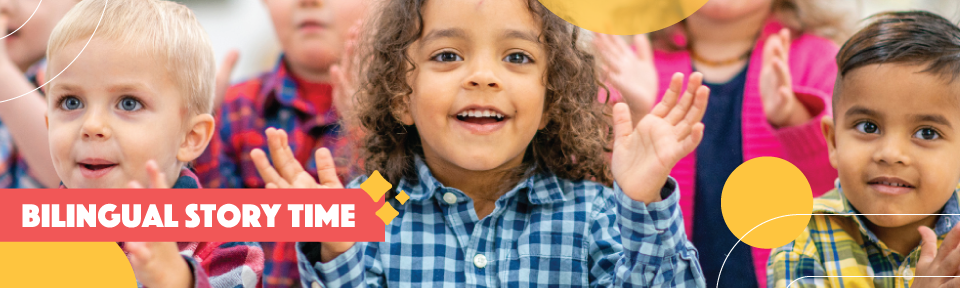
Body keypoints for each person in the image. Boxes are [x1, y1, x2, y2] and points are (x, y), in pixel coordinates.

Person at [253, 0, 711, 286]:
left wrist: (644, 200)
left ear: (552, 99)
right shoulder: (371, 205)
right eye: (447, 55)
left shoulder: (595, 211)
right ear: (399, 97)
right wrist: (337, 249)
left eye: (517, 57)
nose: (483, 76)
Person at [593, 0, 852, 286]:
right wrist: (636, 114)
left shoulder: (822, 61)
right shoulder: (627, 68)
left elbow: (845, 192)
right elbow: (598, 203)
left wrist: (793, 117)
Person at [44, 1, 263, 286]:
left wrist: (179, 281)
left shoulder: (225, 247)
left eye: (128, 103)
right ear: (48, 123)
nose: (92, 125)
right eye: (71, 102)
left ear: (190, 137)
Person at [769, 11, 960, 288]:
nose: (890, 153)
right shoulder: (801, 241)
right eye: (868, 127)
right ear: (833, 142)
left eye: (926, 133)